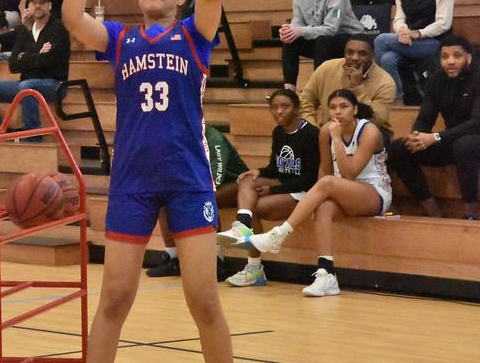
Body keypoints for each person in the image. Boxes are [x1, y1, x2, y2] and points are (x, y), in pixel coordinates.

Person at [62, 0, 233, 362]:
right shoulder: (119, 40)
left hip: (187, 178)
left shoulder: (194, 35)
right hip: (132, 179)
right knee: (114, 299)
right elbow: (73, 17)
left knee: (203, 301)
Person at [229, 89, 392, 297]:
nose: (337, 112)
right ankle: (327, 275)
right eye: (332, 107)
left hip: (375, 192)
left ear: (355, 110)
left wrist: (336, 139)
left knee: (328, 184)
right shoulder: (325, 131)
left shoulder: (368, 131)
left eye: (343, 107)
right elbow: (324, 170)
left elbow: (350, 174)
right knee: (323, 207)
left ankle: (279, 234)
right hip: (343, 190)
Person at [215, 89, 320, 287]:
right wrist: (259, 171)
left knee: (254, 204)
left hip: (305, 193)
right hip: (285, 187)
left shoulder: (311, 134)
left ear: (297, 109)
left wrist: (272, 190)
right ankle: (243, 226)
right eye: (274, 107)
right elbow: (275, 168)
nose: (279, 111)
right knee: (246, 180)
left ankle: (254, 268)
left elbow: (309, 180)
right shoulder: (278, 132)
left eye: (284, 106)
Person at [386, 35, 480, 220]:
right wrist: (417, 136)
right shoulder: (436, 80)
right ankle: (433, 211)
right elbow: (425, 117)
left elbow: (478, 123)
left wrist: (435, 138)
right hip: (452, 138)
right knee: (399, 148)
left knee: (464, 145)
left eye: (457, 56)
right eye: (445, 57)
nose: (450, 61)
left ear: (468, 57)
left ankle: (470, 213)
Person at [146, 124, 249, 278]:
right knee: (164, 197)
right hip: (197, 186)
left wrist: (188, 193)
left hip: (234, 185)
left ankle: (216, 261)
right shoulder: (181, 137)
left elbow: (216, 177)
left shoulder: (213, 138)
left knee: (207, 199)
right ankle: (173, 258)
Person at [0, 0, 70, 141]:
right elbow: (13, 65)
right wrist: (36, 55)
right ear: (29, 7)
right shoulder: (25, 30)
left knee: (27, 88)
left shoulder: (58, 29)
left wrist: (24, 57)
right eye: (34, 3)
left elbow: (50, 62)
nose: (38, 6)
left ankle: (33, 139)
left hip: (55, 84)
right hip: (25, 82)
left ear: (50, 6)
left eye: (42, 2)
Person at [374, 0, 454, 102]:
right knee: (387, 59)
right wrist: (403, 31)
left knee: (381, 40)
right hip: (409, 42)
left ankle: (385, 96)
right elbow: (398, 19)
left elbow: (444, 22)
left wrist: (417, 33)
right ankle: (399, 98)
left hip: (435, 42)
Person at [280, 0, 363, 90]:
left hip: (349, 37)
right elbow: (298, 20)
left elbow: (332, 28)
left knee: (322, 41)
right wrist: (289, 30)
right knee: (289, 40)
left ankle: (320, 89)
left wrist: (301, 31)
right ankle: (289, 90)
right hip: (321, 38)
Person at [299, 35, 396, 134]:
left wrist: (357, 87)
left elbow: (375, 120)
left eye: (362, 54)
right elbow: (305, 101)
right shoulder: (326, 68)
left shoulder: (385, 82)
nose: (355, 58)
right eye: (349, 52)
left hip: (368, 133)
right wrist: (314, 129)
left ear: (372, 55)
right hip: (328, 130)